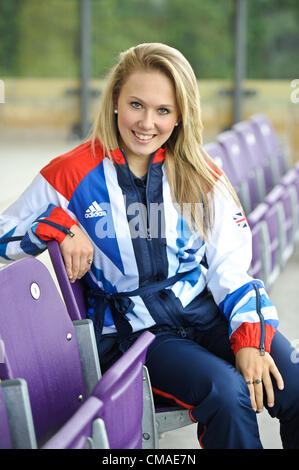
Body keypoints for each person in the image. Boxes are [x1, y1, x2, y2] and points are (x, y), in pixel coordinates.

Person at [0, 42, 299, 449]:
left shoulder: (202, 174)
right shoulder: (71, 172)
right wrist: (58, 226)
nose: (146, 123)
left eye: (163, 110)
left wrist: (250, 338)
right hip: (136, 335)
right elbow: (4, 233)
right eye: (136, 105)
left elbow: (231, 268)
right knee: (227, 392)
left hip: (203, 313)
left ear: (180, 116)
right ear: (116, 103)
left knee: (295, 381)